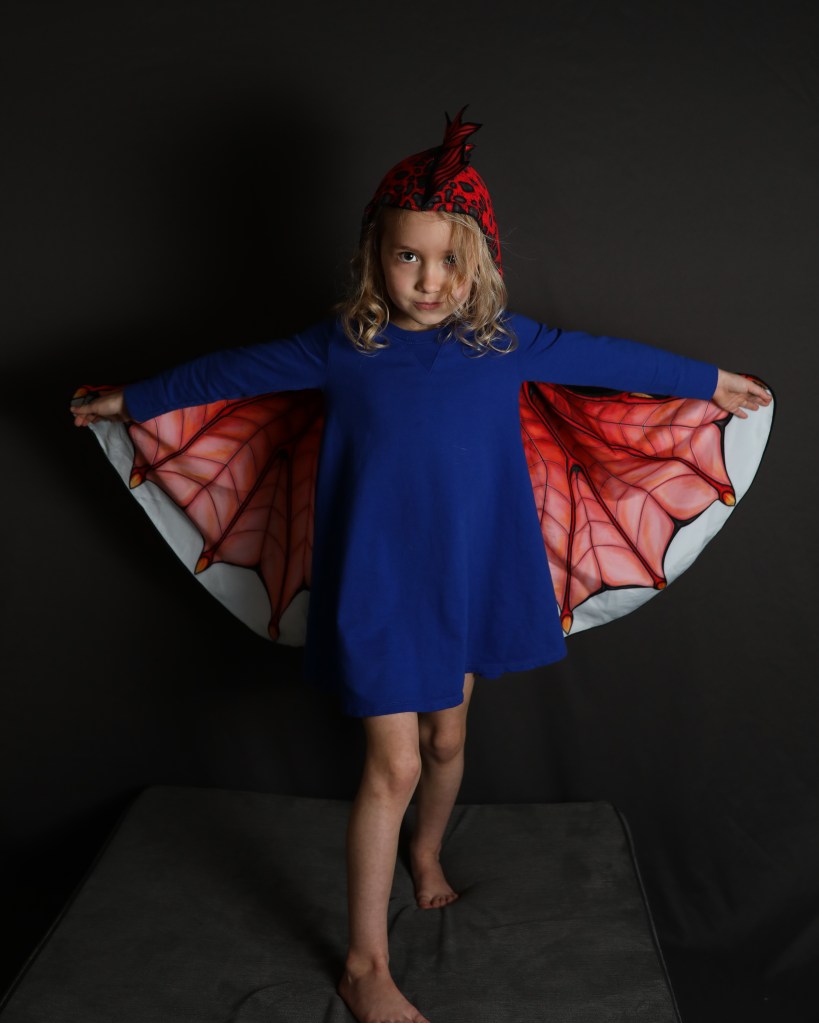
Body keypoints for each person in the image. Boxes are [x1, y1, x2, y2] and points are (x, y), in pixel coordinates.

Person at [71, 109, 771, 1023]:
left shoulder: (503, 343)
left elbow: (611, 357)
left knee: (446, 741)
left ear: (478, 263)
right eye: (408, 257)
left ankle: (426, 853)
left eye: (448, 261)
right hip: (377, 586)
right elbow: (226, 374)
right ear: (375, 253)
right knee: (393, 767)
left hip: (470, 580)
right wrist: (129, 400)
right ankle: (365, 964)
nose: (429, 281)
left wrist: (713, 382)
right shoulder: (342, 346)